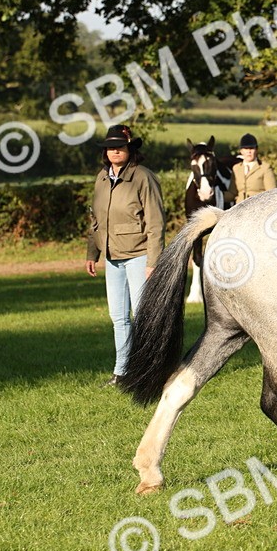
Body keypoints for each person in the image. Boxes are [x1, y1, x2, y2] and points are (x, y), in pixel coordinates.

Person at [85, 125, 166, 387]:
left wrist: (154, 261)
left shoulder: (143, 177)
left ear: (130, 149)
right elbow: (96, 220)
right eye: (110, 147)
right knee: (118, 317)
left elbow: (156, 223)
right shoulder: (101, 178)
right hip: (112, 257)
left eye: (120, 147)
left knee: (143, 316)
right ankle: (122, 373)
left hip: (139, 255)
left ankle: (151, 371)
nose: (115, 151)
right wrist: (92, 252)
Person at [225, 133, 277, 204]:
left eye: (251, 148)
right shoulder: (236, 169)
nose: (249, 152)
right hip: (240, 207)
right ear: (241, 151)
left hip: (259, 207)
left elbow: (272, 194)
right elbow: (232, 193)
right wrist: (217, 195)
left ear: (256, 150)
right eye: (246, 149)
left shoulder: (265, 168)